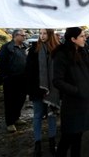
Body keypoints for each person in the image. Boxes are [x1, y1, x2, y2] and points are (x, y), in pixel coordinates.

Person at [52, 27, 89, 157]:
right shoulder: (61, 55)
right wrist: (77, 91)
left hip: (85, 100)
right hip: (72, 103)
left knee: (78, 136)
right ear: (73, 39)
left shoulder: (83, 52)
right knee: (68, 137)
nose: (85, 38)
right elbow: (57, 81)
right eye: (82, 36)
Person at [26, 29, 60, 157]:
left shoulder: (57, 50)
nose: (42, 36)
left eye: (45, 33)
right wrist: (31, 89)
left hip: (53, 90)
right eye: (40, 33)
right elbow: (28, 71)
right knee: (37, 116)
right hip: (37, 89)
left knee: (52, 115)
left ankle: (52, 142)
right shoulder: (34, 49)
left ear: (50, 34)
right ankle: (38, 143)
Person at [0, 29, 28, 133]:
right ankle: (10, 123)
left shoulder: (25, 47)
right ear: (15, 36)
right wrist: (5, 75)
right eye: (22, 35)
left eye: (25, 35)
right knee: (10, 101)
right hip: (10, 79)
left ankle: (16, 118)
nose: (24, 37)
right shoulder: (7, 47)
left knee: (21, 99)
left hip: (23, 79)